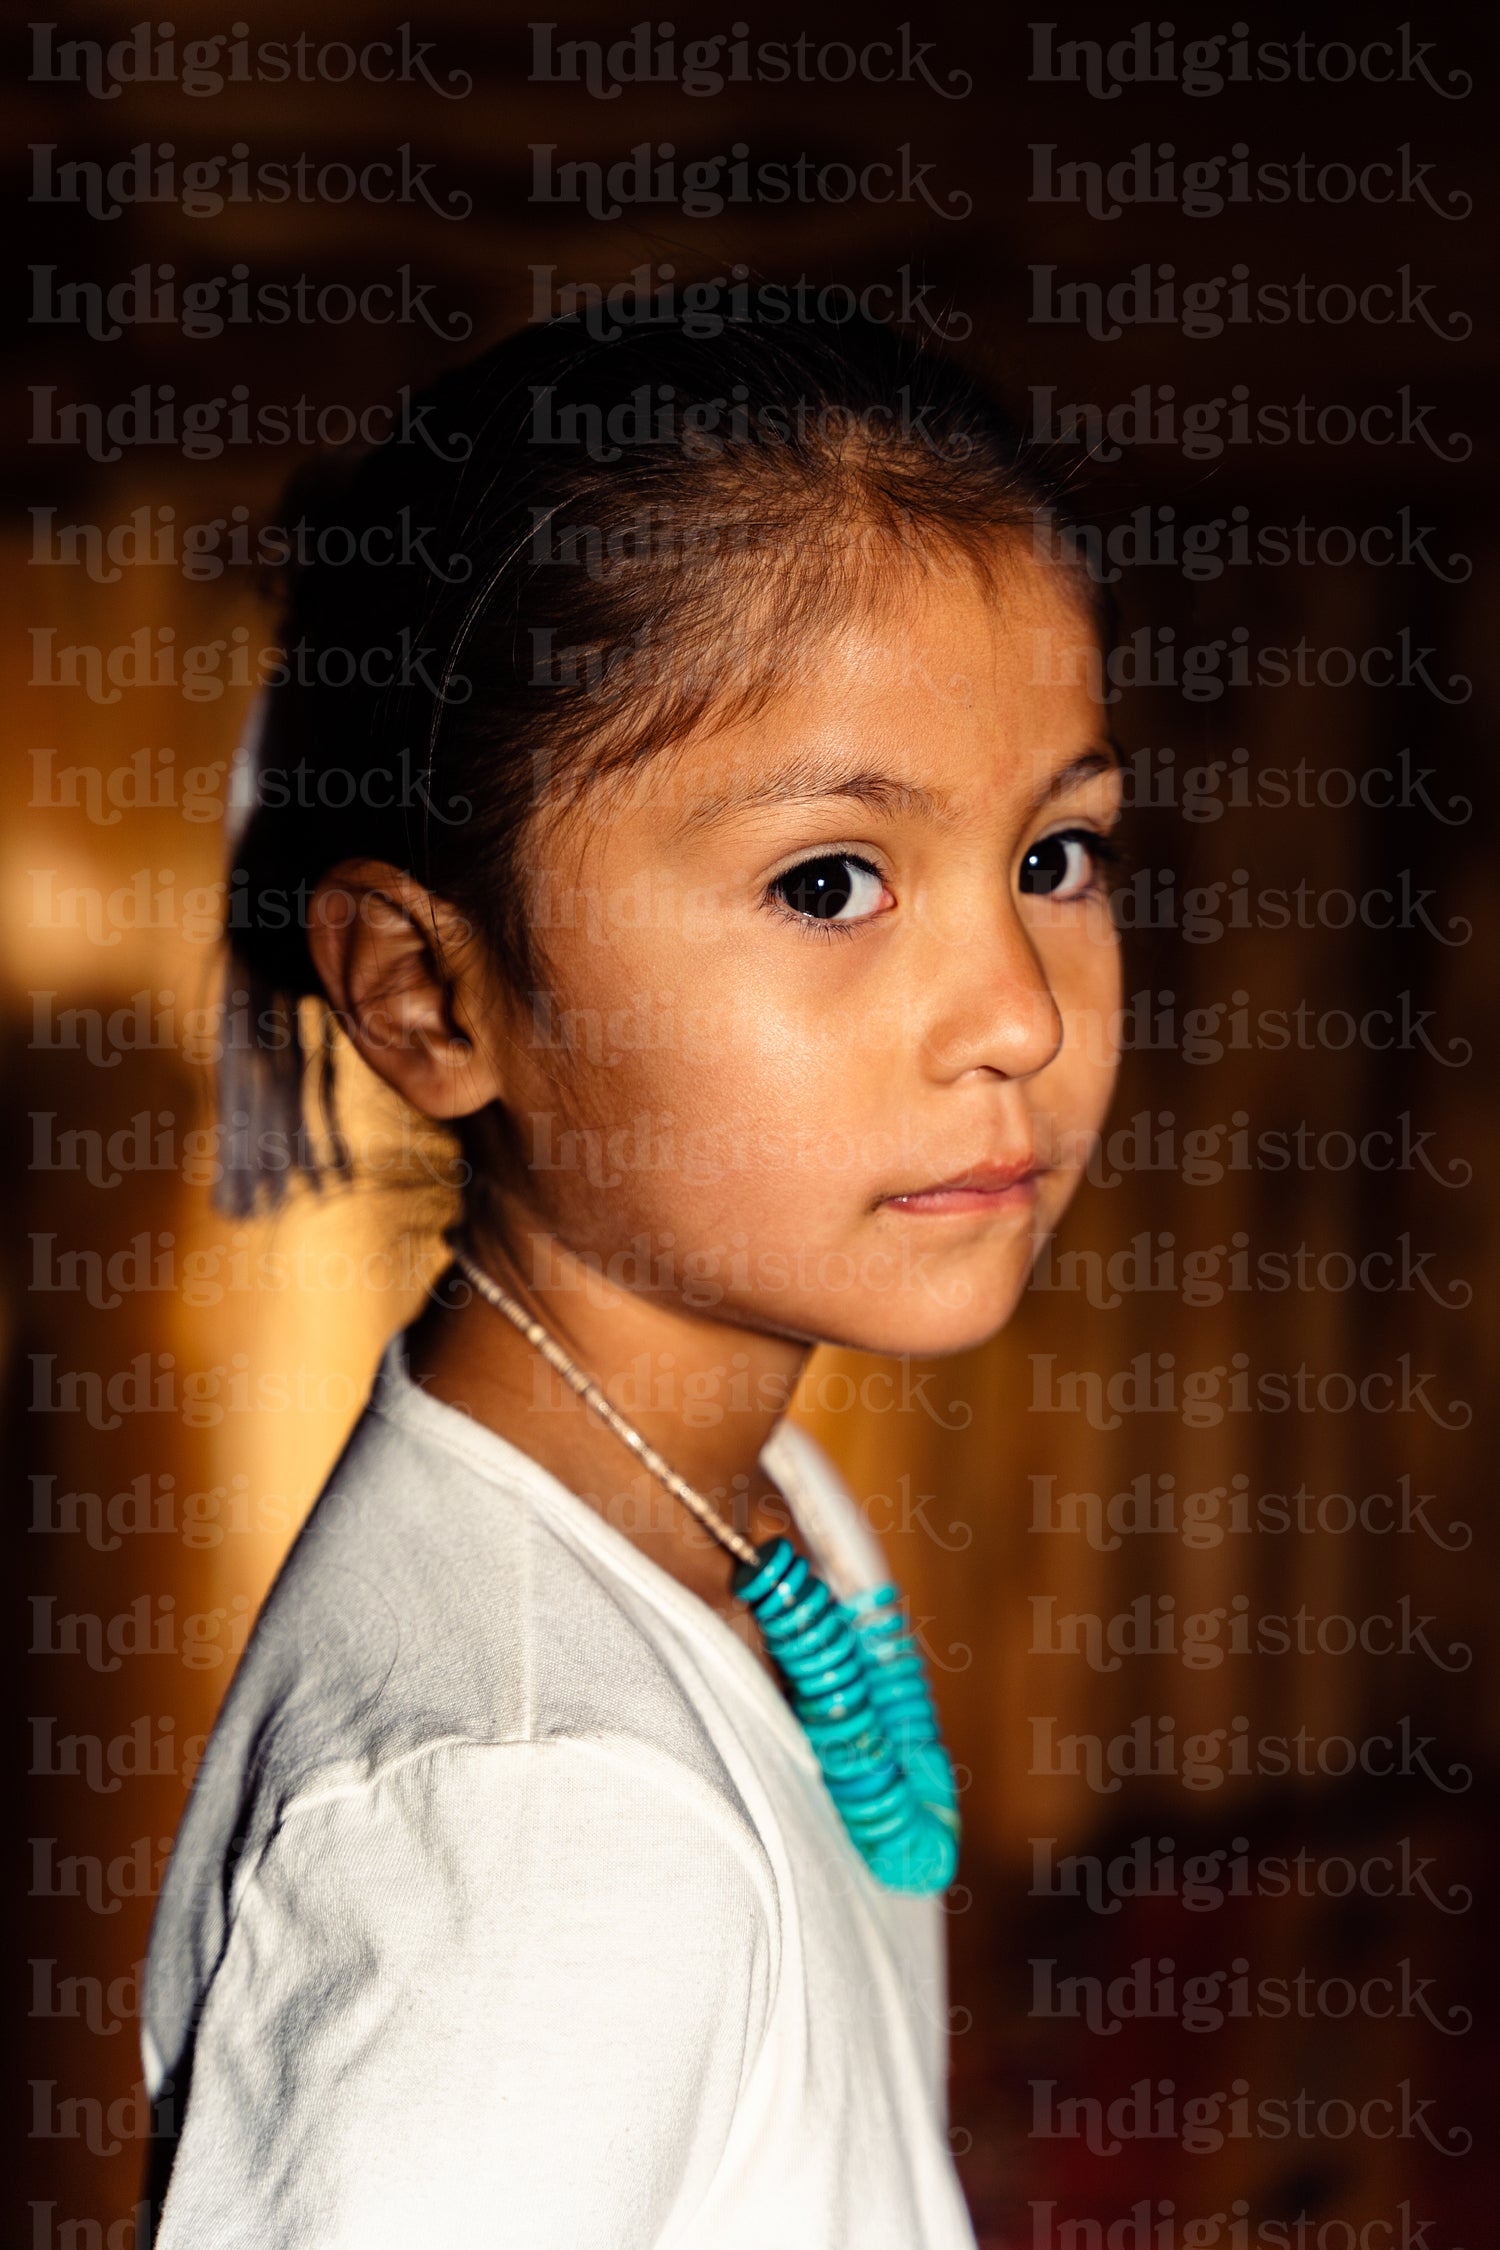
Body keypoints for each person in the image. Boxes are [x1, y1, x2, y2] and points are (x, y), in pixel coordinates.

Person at [142, 308, 1122, 2246]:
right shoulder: (526, 1810)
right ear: (431, 996)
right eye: (829, 880)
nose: (1014, 1013)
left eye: (1059, 855)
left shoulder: (756, 1519)